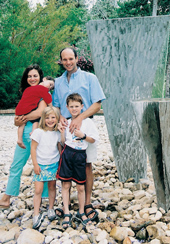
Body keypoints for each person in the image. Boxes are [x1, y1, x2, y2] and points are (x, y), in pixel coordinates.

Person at [52, 47, 105, 221]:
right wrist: (60, 118)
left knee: (87, 165)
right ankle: (66, 204)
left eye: (70, 59)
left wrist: (80, 118)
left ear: (76, 58)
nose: (68, 62)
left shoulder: (89, 78)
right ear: (61, 61)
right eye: (64, 60)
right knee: (65, 164)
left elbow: (97, 105)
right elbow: (57, 105)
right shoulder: (59, 82)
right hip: (66, 129)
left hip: (85, 126)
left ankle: (87, 203)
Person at [0, 64, 49, 209]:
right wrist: (18, 120)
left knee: (42, 164)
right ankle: (7, 197)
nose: (32, 78)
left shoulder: (42, 92)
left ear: (40, 77)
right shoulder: (27, 92)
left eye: (35, 76)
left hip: (38, 131)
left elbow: (40, 112)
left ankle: (45, 197)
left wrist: (21, 118)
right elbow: (19, 115)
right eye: (29, 76)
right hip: (25, 132)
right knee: (16, 164)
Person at [56, 93, 99, 228]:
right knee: (65, 184)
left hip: (80, 155)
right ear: (67, 108)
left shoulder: (88, 122)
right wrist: (61, 132)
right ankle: (67, 212)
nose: (74, 109)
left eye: (76, 106)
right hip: (67, 154)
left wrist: (83, 136)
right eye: (71, 106)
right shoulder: (66, 122)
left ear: (82, 107)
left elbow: (93, 140)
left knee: (80, 185)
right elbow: (63, 142)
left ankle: (81, 211)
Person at [31, 106, 61, 229]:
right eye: (47, 117)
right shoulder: (38, 132)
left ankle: (51, 208)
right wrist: (35, 164)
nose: (50, 120)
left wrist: (60, 164)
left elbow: (59, 148)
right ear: (43, 119)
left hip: (53, 164)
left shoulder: (57, 133)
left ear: (57, 119)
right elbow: (33, 149)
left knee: (52, 187)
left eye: (53, 117)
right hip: (41, 165)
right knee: (38, 189)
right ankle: (36, 213)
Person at [15, 76, 55, 149]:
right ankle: (33, 132)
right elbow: (48, 100)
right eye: (50, 84)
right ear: (44, 79)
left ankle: (19, 139)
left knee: (21, 124)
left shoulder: (29, 88)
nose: (50, 87)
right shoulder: (43, 90)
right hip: (28, 109)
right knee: (36, 121)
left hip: (20, 109)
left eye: (51, 87)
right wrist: (52, 108)